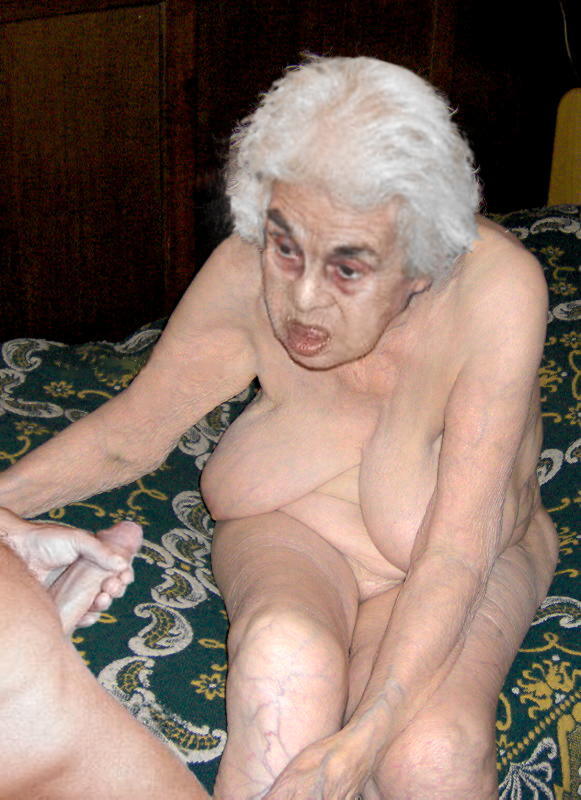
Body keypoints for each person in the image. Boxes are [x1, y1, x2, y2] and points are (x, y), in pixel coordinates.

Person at [0, 55, 558, 800]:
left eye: (348, 270)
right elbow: (126, 437)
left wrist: (362, 740)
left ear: (422, 265)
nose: (302, 300)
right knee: (280, 667)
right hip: (292, 534)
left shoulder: (495, 294)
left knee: (430, 757)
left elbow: (456, 553)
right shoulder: (246, 266)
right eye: (285, 247)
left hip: (459, 553)